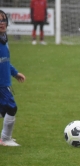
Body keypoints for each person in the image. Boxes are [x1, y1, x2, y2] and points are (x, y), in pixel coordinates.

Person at [0, 10, 26, 146]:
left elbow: (5, 61)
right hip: (1, 85)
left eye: (3, 20)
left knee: (4, 111)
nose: (1, 23)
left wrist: (15, 73)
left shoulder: (4, 40)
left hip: (5, 83)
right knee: (11, 108)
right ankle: (5, 138)